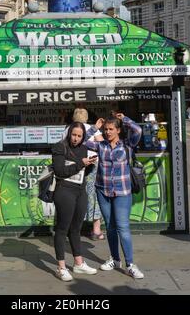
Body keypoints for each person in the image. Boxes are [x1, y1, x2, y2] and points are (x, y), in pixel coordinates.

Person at [85, 113, 144, 279]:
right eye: (106, 129)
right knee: (110, 227)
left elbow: (138, 130)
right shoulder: (100, 145)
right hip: (103, 191)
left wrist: (125, 118)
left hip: (122, 192)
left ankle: (130, 264)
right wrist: (94, 128)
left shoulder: (127, 144)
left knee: (123, 228)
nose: (108, 132)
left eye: (111, 129)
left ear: (118, 130)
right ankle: (115, 259)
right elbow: (81, 141)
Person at [52, 121, 98, 282]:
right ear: (69, 133)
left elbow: (85, 172)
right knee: (62, 229)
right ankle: (61, 267)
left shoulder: (84, 149)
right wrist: (81, 164)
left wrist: (90, 164)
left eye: (79, 136)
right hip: (64, 190)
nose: (76, 138)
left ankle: (79, 263)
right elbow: (60, 171)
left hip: (80, 191)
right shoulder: (60, 147)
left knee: (76, 228)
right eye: (74, 134)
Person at [62, 108, 104, 240]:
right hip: (92, 164)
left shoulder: (69, 130)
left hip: (74, 165)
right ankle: (96, 230)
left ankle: (73, 229)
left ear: (74, 117)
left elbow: (62, 147)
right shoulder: (92, 129)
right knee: (93, 195)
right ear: (86, 117)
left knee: (73, 195)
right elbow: (102, 145)